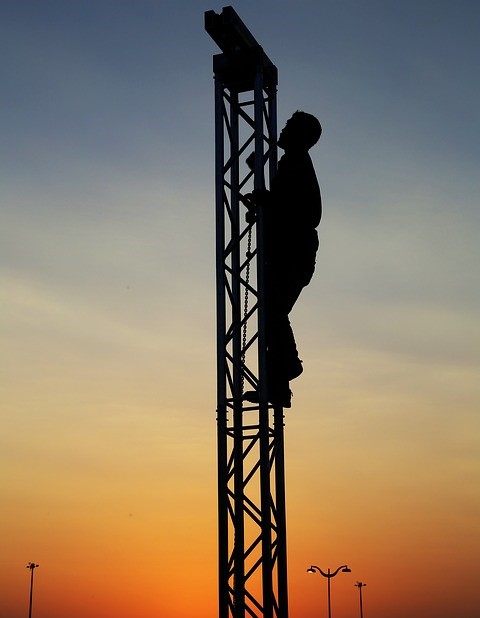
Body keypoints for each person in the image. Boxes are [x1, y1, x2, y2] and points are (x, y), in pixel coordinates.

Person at [244, 111, 322, 408]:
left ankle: (287, 368)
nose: (284, 129)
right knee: (272, 314)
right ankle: (278, 387)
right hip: (292, 252)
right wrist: (265, 204)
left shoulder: (296, 164)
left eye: (290, 126)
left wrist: (267, 201)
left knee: (272, 313)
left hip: (293, 253)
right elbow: (284, 205)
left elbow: (304, 212)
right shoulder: (292, 165)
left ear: (300, 135)